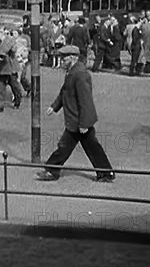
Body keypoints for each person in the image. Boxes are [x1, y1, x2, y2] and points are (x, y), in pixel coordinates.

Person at [37, 45, 115, 183]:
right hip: (77, 120)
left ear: (72, 58)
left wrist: (84, 124)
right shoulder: (72, 72)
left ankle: (52, 170)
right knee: (91, 147)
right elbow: (64, 91)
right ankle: (106, 173)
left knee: (64, 147)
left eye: (64, 58)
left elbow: (86, 101)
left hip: (78, 121)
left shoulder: (80, 75)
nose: (61, 61)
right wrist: (54, 106)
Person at [0, 26, 21, 113]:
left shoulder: (10, 40)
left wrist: (6, 43)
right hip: (0, 69)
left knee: (14, 86)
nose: (0, 34)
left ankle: (18, 99)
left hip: (11, 68)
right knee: (0, 88)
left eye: (2, 32)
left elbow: (14, 50)